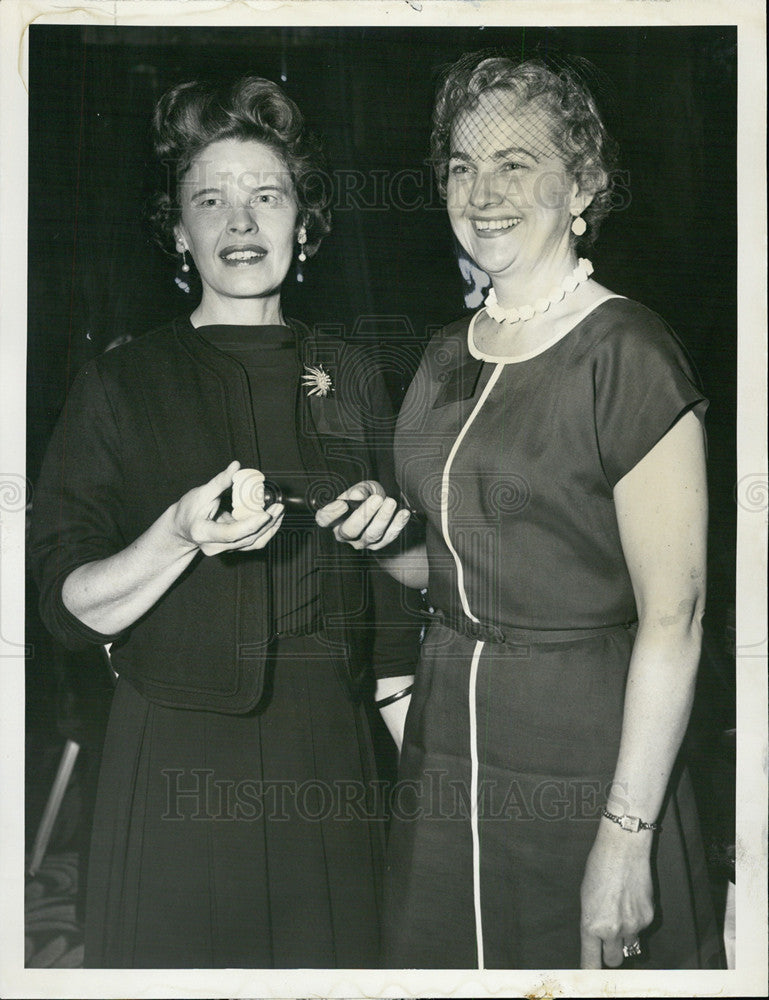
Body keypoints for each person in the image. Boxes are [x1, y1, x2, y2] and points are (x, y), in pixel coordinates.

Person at [316, 54, 723, 969]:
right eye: (461, 166)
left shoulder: (628, 351)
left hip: (583, 746)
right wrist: (383, 540)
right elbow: (448, 567)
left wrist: (625, 838)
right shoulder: (442, 353)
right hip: (445, 747)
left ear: (580, 181)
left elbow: (675, 615)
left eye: (514, 162)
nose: (481, 190)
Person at [29, 75, 419, 968]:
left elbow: (401, 626)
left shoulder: (355, 377)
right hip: (172, 761)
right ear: (178, 232)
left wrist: (396, 539)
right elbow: (63, 607)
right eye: (211, 200)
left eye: (266, 197)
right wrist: (175, 535)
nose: (240, 224)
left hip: (332, 760)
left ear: (305, 225)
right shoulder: (121, 384)